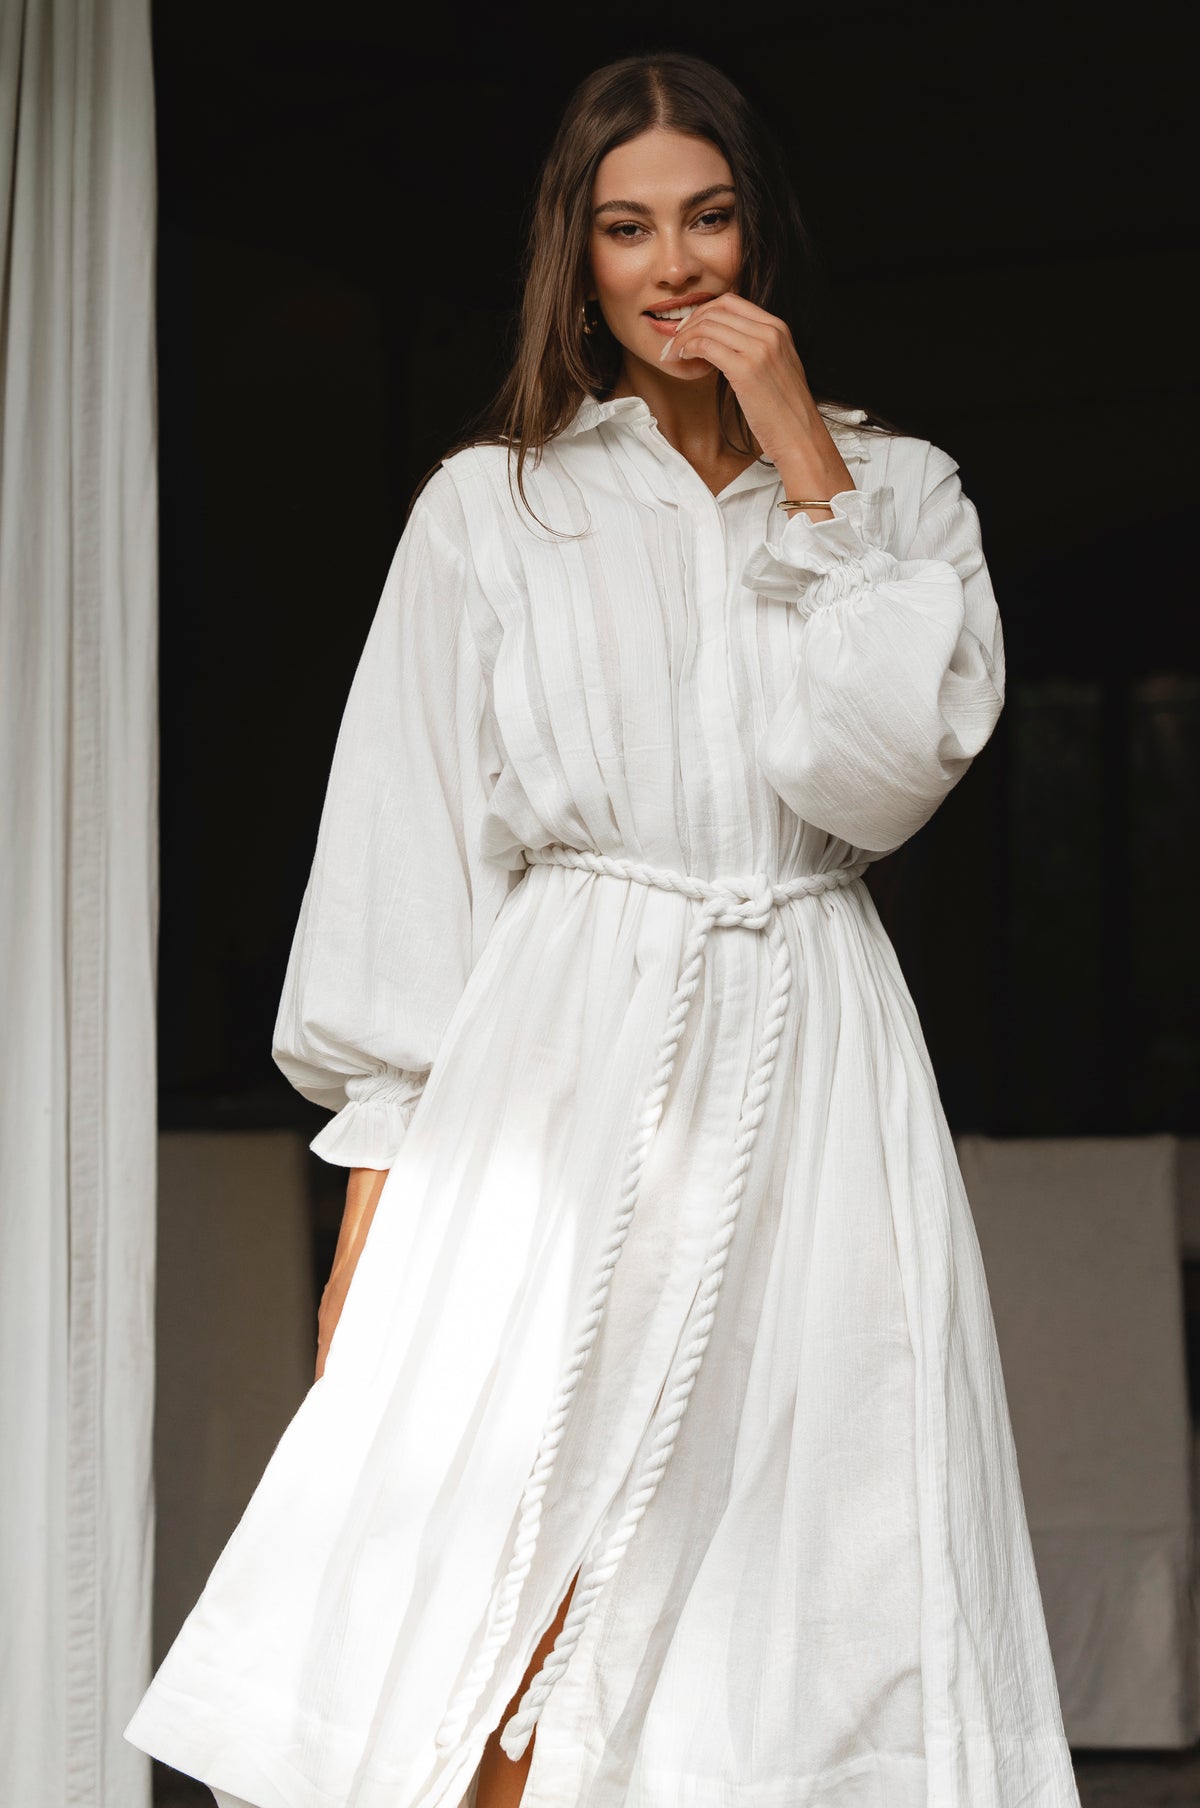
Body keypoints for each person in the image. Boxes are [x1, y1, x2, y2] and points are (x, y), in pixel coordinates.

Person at [124, 49, 1081, 1808]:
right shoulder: (494, 508)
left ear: (759, 232)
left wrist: (805, 460)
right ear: (578, 253)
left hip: (811, 1046)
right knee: (504, 1518)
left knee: (806, 1540)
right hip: (559, 1055)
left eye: (707, 217)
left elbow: (864, 775)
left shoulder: (906, 494)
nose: (675, 267)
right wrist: (369, 1223)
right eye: (627, 227)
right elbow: (404, 869)